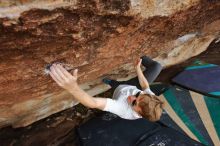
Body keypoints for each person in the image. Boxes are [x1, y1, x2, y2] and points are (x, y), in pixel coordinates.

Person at [49, 56, 165, 122]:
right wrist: (137, 68)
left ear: (139, 113)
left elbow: (93, 103)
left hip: (118, 90)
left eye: (134, 102)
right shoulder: (151, 100)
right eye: (138, 95)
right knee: (157, 67)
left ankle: (109, 82)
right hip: (133, 85)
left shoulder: (123, 110)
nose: (131, 97)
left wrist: (73, 88)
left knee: (114, 84)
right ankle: (139, 53)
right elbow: (145, 87)